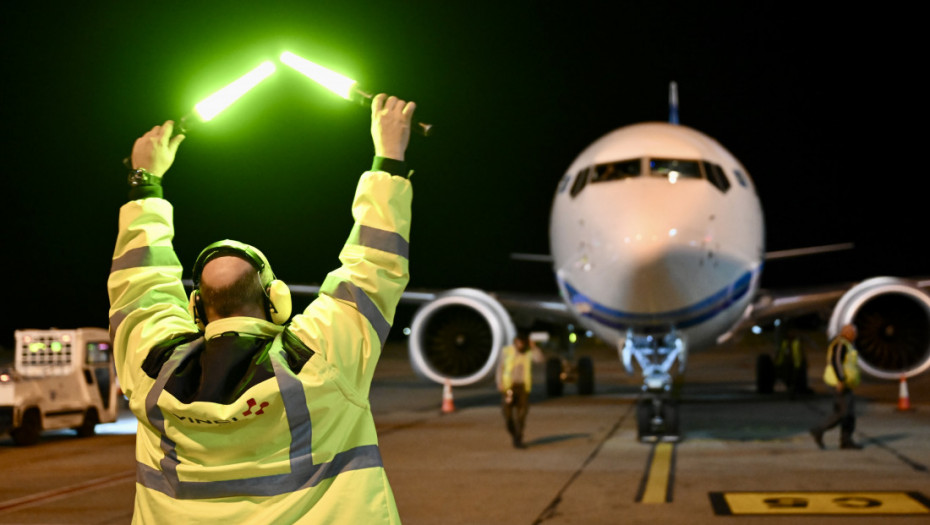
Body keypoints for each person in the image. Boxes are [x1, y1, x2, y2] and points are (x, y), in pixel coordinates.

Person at [107, 94, 415, 523]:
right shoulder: (319, 359)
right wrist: (389, 157)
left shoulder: (150, 370)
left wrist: (145, 179)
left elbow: (138, 281)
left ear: (195, 308)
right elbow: (374, 261)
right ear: (277, 299)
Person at [810, 324, 863, 450]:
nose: (855, 336)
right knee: (843, 412)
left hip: (846, 384)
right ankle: (819, 430)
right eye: (853, 333)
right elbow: (836, 361)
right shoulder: (840, 344)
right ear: (847, 333)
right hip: (838, 383)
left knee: (849, 413)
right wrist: (841, 380)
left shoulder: (847, 345)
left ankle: (846, 440)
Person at [495, 334, 544, 448]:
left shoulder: (529, 352)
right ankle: (513, 432)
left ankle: (518, 439)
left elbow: (540, 359)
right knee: (507, 414)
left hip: (523, 388)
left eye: (522, 343)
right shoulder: (507, 351)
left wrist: (534, 347)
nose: (520, 345)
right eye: (518, 342)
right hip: (509, 387)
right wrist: (499, 382)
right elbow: (500, 367)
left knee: (522, 415)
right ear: (515, 342)